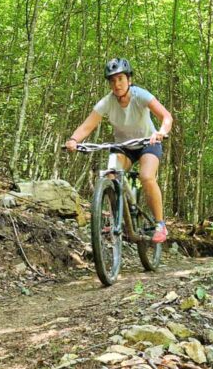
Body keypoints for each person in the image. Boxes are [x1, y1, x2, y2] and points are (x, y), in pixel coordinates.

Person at [65, 58, 172, 243]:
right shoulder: (107, 102)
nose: (117, 84)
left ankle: (160, 224)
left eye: (121, 79)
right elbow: (87, 126)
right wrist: (74, 139)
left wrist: (161, 132)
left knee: (146, 176)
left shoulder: (140, 95)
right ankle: (117, 220)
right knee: (110, 176)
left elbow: (166, 116)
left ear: (129, 80)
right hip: (123, 146)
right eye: (112, 80)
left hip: (149, 142)